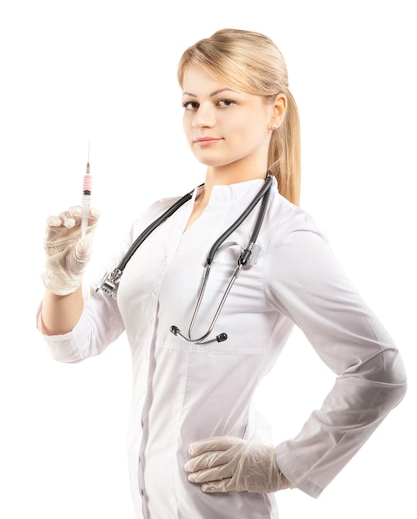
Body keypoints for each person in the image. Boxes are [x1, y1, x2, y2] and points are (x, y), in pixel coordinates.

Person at [38, 28, 407, 519]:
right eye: (190, 103)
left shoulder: (284, 236)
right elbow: (76, 343)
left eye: (225, 101)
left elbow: (379, 370)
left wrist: (284, 466)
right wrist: (60, 280)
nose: (202, 119)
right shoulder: (155, 220)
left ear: (275, 111)